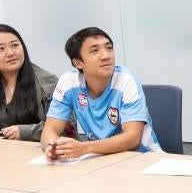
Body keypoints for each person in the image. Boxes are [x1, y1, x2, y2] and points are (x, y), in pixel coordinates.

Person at [40, 27, 161, 160]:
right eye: (95, 50)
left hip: (142, 158)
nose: (106, 56)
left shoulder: (126, 80)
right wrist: (52, 147)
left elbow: (132, 139)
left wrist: (85, 147)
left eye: (109, 48)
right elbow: (50, 129)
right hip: (100, 159)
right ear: (78, 63)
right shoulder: (69, 82)